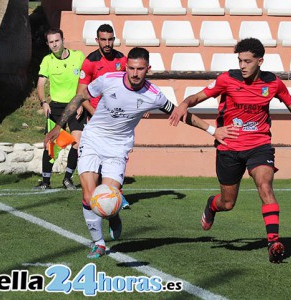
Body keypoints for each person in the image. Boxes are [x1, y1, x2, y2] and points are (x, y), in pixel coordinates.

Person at [45, 47, 238, 259]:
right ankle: (98, 243)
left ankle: (113, 214)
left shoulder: (153, 95)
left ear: (148, 69)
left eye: (140, 69)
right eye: (131, 68)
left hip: (118, 147)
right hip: (93, 140)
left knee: (109, 196)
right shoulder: (108, 79)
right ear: (126, 67)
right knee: (89, 195)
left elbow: (181, 113)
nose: (135, 73)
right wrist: (59, 126)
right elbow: (79, 97)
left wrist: (212, 130)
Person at [169, 38, 291, 263]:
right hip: (229, 146)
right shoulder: (227, 79)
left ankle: (273, 242)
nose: (242, 65)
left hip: (259, 145)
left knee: (265, 185)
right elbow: (197, 97)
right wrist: (184, 103)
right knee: (228, 203)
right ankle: (212, 205)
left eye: (247, 61)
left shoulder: (273, 83)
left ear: (260, 61)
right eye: (240, 60)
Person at [78, 23, 130, 209]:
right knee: (97, 159)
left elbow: (131, 85)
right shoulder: (90, 61)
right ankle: (99, 198)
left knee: (120, 154)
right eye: (103, 40)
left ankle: (116, 194)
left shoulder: (122, 60)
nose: (107, 43)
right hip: (97, 120)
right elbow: (81, 94)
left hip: (119, 119)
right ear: (97, 40)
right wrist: (95, 114)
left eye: (110, 39)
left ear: (114, 40)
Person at [34, 28, 86, 190]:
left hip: (75, 105)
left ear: (63, 40)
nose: (55, 44)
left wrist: (81, 103)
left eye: (57, 41)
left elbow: (85, 81)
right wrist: (44, 102)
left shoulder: (78, 56)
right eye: (51, 42)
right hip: (56, 107)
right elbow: (41, 85)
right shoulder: (47, 61)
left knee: (78, 142)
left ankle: (68, 179)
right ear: (48, 44)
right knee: (50, 143)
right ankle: (45, 182)